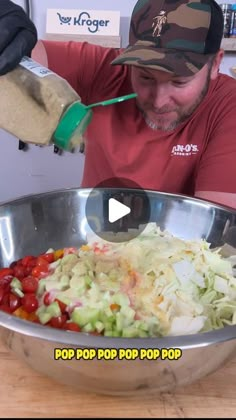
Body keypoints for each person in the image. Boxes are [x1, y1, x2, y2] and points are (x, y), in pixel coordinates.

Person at [1, 0, 236, 209]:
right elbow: (21, 59)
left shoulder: (229, 107)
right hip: (91, 248)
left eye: (179, 81)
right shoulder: (105, 69)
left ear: (215, 63)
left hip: (179, 253)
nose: (159, 101)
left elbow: (213, 234)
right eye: (145, 77)